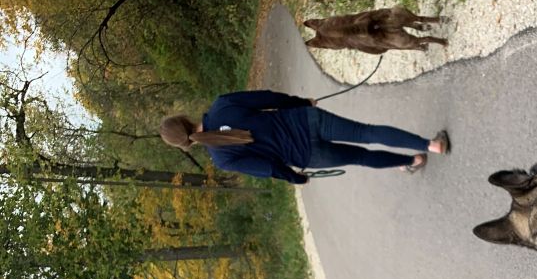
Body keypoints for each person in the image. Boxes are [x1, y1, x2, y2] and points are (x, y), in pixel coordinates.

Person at [159, 90, 449, 184]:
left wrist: (298, 178)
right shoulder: (221, 106)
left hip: (308, 156)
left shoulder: (222, 158)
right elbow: (268, 98)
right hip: (306, 121)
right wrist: (302, 103)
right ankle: (430, 144)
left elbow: (270, 168)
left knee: (361, 157)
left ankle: (413, 159)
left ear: (184, 145)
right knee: (366, 132)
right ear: (185, 118)